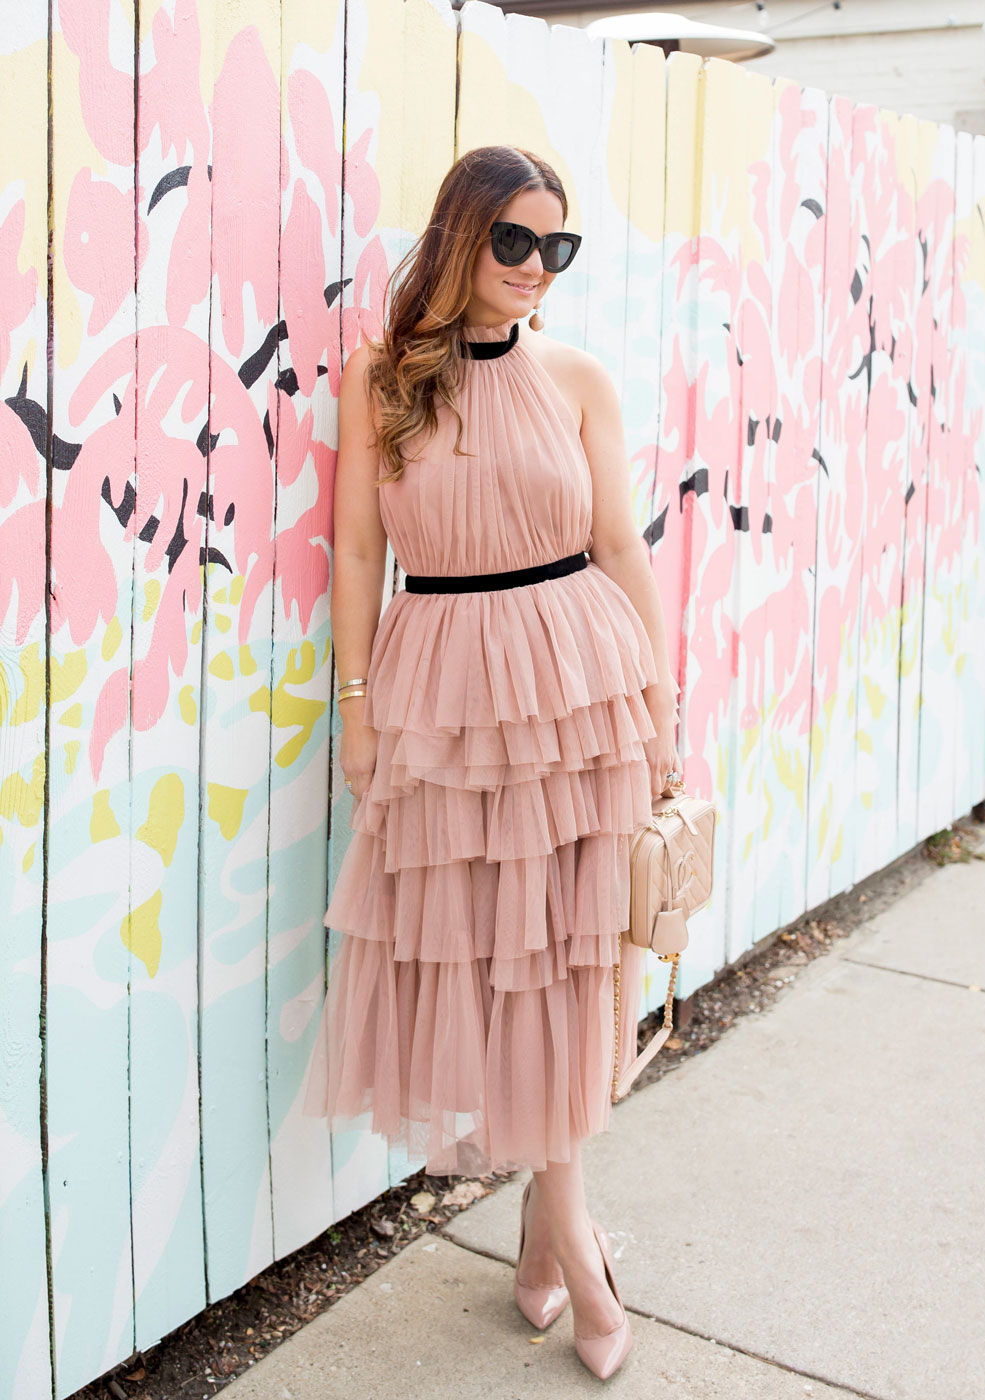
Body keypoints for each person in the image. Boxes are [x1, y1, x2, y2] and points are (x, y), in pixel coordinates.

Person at [303, 144, 682, 1380]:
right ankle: (563, 1237)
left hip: (581, 687)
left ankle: (561, 1235)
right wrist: (355, 711)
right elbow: (358, 560)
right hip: (446, 693)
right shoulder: (380, 380)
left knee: (570, 966)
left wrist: (664, 711)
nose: (534, 269)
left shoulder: (576, 377)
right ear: (459, 237)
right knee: (486, 959)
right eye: (514, 241)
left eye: (555, 249)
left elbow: (619, 548)